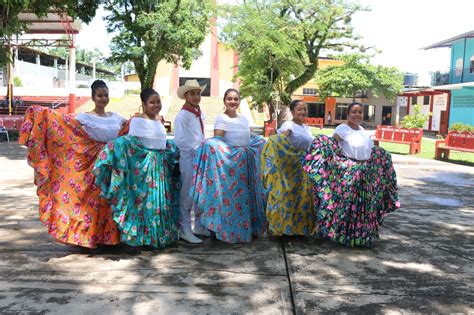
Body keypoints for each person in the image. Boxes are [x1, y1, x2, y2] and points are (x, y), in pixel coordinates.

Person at [18, 80, 125, 248]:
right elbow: (64, 123)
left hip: (111, 162)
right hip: (91, 161)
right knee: (93, 199)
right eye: (100, 95)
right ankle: (89, 237)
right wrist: (42, 114)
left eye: (106, 95)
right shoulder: (85, 117)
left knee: (109, 198)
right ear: (93, 97)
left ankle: (110, 237)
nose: (103, 98)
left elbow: (129, 128)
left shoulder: (116, 117)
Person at [302, 102, 400, 247]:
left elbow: (370, 150)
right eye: (354, 112)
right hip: (349, 174)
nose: (357, 114)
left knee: (364, 206)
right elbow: (332, 143)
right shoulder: (343, 129)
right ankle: (344, 236)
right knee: (348, 206)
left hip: (366, 175)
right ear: (347, 114)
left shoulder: (362, 130)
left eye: (360, 112)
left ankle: (361, 237)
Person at [93, 88, 180, 249]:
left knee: (158, 203)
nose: (156, 105)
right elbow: (131, 144)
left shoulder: (160, 121)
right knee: (143, 204)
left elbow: (161, 143)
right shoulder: (137, 121)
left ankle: (157, 237)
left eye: (158, 102)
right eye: (152, 102)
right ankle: (141, 239)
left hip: (160, 169)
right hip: (143, 170)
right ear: (144, 104)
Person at [192, 89, 267, 243]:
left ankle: (246, 230)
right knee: (231, 199)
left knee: (243, 199)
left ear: (239, 101)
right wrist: (232, 154)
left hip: (245, 164)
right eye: (229, 99)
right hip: (231, 166)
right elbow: (217, 141)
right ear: (224, 101)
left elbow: (246, 135)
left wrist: (258, 140)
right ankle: (227, 231)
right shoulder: (221, 118)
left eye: (235, 99)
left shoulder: (244, 118)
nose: (232, 102)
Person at [262, 100, 315, 236]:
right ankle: (282, 229)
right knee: (287, 198)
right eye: (299, 109)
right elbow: (279, 140)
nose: (303, 112)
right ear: (292, 111)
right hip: (290, 169)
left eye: (304, 109)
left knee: (302, 198)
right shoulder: (289, 125)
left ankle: (298, 230)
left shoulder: (306, 127)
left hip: (304, 168)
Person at [174, 79, 210, 244]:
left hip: (200, 157)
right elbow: (180, 140)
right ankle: (185, 229)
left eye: (198, 93)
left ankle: (199, 225)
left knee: (200, 193)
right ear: (185, 96)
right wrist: (196, 150)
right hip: (189, 158)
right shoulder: (183, 115)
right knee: (187, 193)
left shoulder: (199, 112)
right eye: (192, 94)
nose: (196, 97)